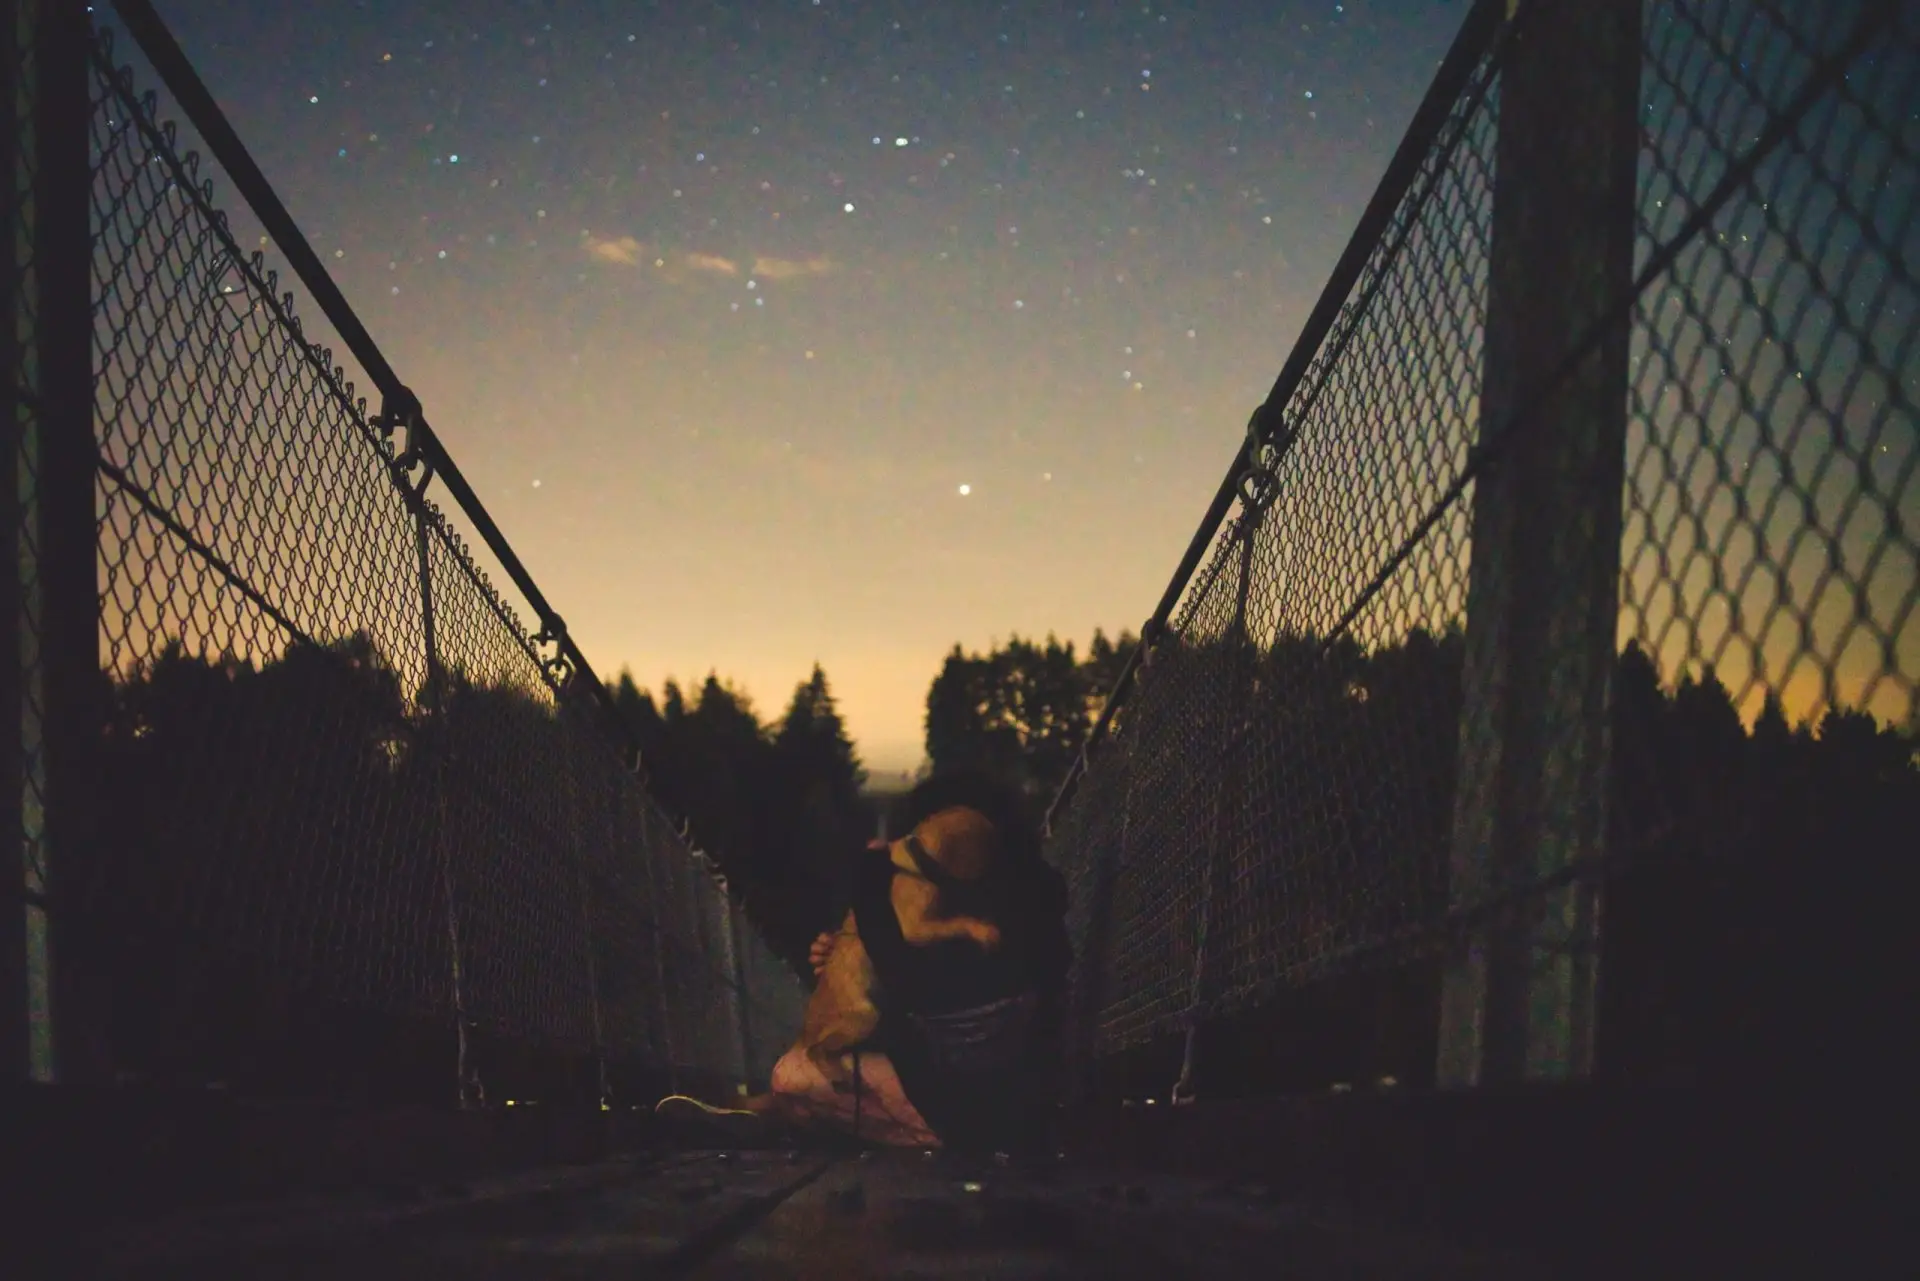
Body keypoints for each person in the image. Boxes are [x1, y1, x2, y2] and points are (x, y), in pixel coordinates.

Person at [726, 770, 1073, 1156]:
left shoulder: (991, 922)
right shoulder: (1016, 895)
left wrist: (871, 896)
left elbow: (911, 986)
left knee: (793, 1077)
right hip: (989, 1081)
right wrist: (846, 957)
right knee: (808, 1077)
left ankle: (942, 1140)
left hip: (983, 1102)